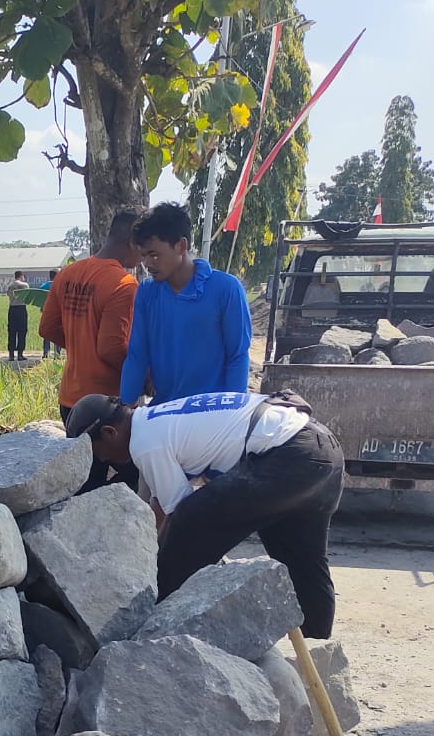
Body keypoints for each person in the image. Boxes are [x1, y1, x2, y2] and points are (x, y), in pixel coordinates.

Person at [65, 390, 344, 638]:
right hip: (319, 447)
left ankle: (155, 624)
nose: (103, 460)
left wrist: (155, 579)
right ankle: (318, 644)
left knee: (192, 518)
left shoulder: (145, 443)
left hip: (290, 455)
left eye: (98, 453)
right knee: (302, 559)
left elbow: (177, 513)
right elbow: (155, 506)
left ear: (109, 433)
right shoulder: (152, 421)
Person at [41, 211, 142, 489]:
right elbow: (111, 348)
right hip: (109, 409)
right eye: (144, 247)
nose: (144, 256)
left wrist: (81, 345)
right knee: (140, 477)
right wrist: (143, 378)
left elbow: (48, 328)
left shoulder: (68, 274)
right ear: (132, 242)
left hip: (72, 401)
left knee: (84, 485)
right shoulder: (123, 284)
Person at [119, 202, 252, 406]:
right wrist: (124, 407)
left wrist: (232, 411)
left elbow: (238, 357)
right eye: (144, 256)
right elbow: (137, 355)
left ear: (181, 246)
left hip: (211, 411)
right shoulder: (147, 292)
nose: (147, 264)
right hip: (165, 410)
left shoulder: (225, 290)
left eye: (154, 255)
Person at [6, 270, 30, 362]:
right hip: (21, 309)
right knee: (22, 332)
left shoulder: (10, 285)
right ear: (21, 276)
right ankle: (20, 354)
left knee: (12, 332)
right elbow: (27, 298)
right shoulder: (24, 285)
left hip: (12, 309)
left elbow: (8, 294)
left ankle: (11, 355)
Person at [38, 269, 60, 358]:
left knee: (47, 333)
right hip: (57, 313)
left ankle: (46, 353)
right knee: (57, 333)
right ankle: (57, 353)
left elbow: (40, 299)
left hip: (46, 313)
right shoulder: (59, 285)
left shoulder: (43, 286)